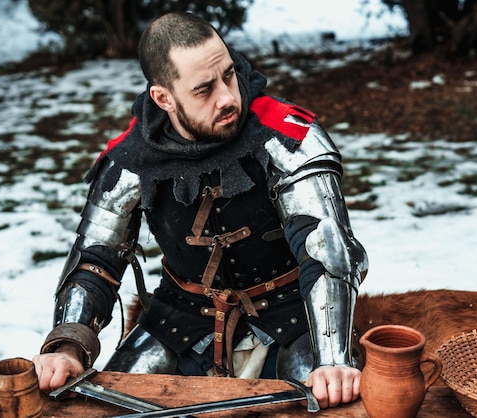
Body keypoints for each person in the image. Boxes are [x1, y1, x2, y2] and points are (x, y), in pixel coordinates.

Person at [32, 11, 368, 409]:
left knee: (331, 406)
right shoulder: (129, 159)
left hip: (291, 317)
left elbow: (327, 249)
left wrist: (333, 360)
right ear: (163, 98)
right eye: (204, 89)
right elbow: (95, 261)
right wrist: (69, 344)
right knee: (104, 410)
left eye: (228, 74)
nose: (227, 96)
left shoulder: (286, 136)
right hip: (178, 319)